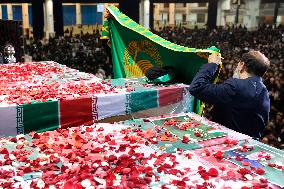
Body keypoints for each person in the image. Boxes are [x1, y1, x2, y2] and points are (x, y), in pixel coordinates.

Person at [188, 50, 270, 139]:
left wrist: (212, 64)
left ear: (242, 65)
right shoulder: (264, 92)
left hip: (229, 144)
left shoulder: (235, 86)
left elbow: (196, 87)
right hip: (249, 147)